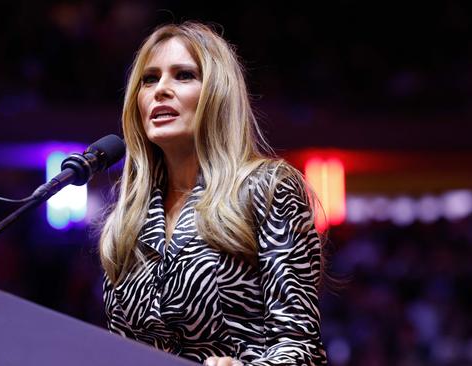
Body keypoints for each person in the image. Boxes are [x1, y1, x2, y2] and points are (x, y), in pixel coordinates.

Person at [98, 21, 328, 366]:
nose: (161, 89)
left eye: (184, 75)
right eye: (150, 79)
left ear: (217, 92)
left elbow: (302, 347)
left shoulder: (268, 189)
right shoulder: (128, 220)